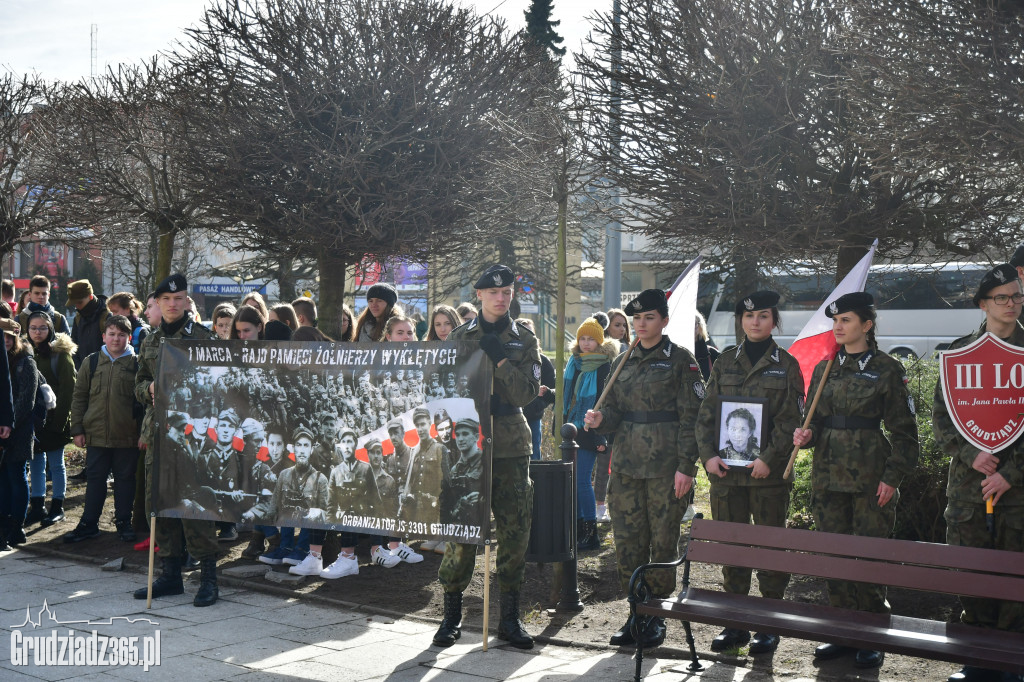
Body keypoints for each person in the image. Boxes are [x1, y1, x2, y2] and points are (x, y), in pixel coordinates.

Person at [793, 291, 919, 670]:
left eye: (846, 320)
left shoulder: (886, 369)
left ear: (866, 324)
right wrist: (807, 433)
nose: (839, 327)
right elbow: (814, 419)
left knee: (869, 556)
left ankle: (872, 635)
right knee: (834, 556)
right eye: (836, 321)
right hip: (827, 477)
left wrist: (892, 478)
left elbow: (904, 432)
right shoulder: (825, 367)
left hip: (869, 478)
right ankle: (841, 632)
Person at [584, 288, 704, 649]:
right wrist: (601, 418)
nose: (641, 324)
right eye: (636, 319)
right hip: (626, 468)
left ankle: (657, 616)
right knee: (628, 543)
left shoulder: (681, 360)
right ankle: (636, 611)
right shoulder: (624, 360)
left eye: (649, 317)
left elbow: (693, 418)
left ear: (664, 321)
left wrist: (687, 467)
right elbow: (616, 411)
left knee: (662, 542)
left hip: (666, 468)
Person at [433, 264, 540, 650]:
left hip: (511, 444)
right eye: (493, 292)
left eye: (507, 292)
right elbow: (440, 389)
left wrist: (499, 361)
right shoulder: (459, 337)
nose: (501, 298)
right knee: (463, 530)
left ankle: (509, 620)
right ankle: (451, 616)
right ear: (479, 295)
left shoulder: (524, 340)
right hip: (469, 445)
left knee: (514, 531)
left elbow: (527, 393)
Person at [695, 290, 804, 655]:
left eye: (763, 316)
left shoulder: (787, 365)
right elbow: (707, 414)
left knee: (771, 546)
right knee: (732, 547)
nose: (755, 322)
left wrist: (770, 458)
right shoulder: (724, 362)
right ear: (740, 321)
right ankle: (735, 622)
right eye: (748, 316)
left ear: (774, 321)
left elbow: (791, 419)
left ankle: (769, 624)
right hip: (727, 475)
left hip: (767, 476)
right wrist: (708, 456)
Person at [931, 263, 1024, 682]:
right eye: (1002, 297)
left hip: (1017, 493)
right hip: (969, 491)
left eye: (1017, 296)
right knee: (973, 572)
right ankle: (978, 656)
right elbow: (941, 420)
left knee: (1017, 574)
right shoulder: (958, 353)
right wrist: (970, 454)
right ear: (983, 303)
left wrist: (1013, 473)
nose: (1011, 304)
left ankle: (1013, 659)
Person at [133, 273, 221, 608]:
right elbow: (139, 380)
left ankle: (209, 578)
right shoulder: (150, 339)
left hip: (191, 436)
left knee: (194, 504)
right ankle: (170, 575)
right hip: (157, 432)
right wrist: (148, 389)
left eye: (178, 299)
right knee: (160, 502)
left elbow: (219, 384)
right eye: (165, 300)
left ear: (186, 302)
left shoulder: (202, 338)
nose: (172, 304)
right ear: (157, 302)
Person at [63, 315, 141, 543]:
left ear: (129, 337)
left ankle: (124, 522)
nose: (116, 339)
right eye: (112, 334)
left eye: (121, 335)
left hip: (127, 435)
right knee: (95, 479)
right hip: (95, 435)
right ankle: (89, 523)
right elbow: (79, 397)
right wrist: (77, 428)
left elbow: (145, 403)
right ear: (103, 336)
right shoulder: (92, 361)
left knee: (125, 480)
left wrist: (142, 433)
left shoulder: (137, 365)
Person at [561, 317, 613, 551]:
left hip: (590, 429)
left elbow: (606, 399)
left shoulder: (605, 365)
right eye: (582, 338)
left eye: (591, 339)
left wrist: (600, 435)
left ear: (600, 342)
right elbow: (567, 393)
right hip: (570, 427)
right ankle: (579, 529)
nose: (586, 343)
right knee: (572, 481)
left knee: (582, 480)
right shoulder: (574, 362)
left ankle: (591, 534)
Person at [24, 311, 77, 528]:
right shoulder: (24, 352)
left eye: (43, 328)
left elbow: (68, 391)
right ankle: (37, 505)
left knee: (56, 465)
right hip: (34, 422)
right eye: (34, 328)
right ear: (27, 329)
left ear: (50, 329)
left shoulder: (60, 355)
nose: (38, 332)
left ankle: (58, 506)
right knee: (36, 464)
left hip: (56, 421)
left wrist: (60, 423)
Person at [0, 307, 39, 549]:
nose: (4, 341)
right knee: (4, 479)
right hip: (4, 430)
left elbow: (27, 400)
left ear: (16, 338)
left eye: (8, 338)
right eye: (0, 337)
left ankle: (17, 526)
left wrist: (10, 422)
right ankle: (4, 524)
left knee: (17, 477)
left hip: (20, 431)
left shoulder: (26, 362)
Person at [517, 318, 555, 462]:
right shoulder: (509, 359)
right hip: (510, 416)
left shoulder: (543, 361)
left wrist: (539, 403)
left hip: (533, 417)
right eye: (522, 332)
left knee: (534, 457)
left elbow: (552, 389)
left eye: (530, 332)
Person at [67, 279, 108, 368]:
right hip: (82, 371)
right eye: (74, 303)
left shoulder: (107, 316)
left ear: (90, 296)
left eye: (80, 302)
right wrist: (80, 369)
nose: (77, 306)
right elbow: (73, 347)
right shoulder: (78, 318)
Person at [694, 311, 720, 381]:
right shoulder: (675, 353)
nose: (690, 328)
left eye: (694, 324)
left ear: (700, 327)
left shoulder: (713, 354)